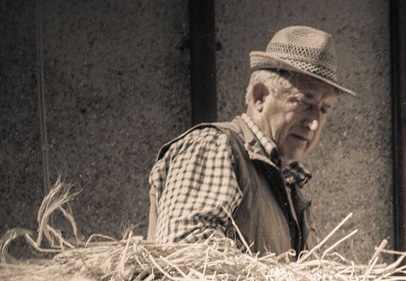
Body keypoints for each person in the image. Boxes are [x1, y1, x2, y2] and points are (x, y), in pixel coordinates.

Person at [147, 26, 353, 254]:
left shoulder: (289, 185)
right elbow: (185, 250)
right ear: (260, 96)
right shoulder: (214, 147)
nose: (314, 123)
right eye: (304, 102)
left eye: (324, 109)